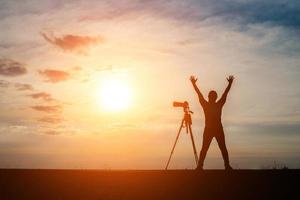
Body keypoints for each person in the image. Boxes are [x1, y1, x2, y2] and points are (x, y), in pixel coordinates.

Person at [190, 75, 234, 170]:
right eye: (212, 96)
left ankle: (226, 165)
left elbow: (225, 94)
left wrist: (230, 84)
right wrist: (193, 84)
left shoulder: (215, 104)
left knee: (221, 148)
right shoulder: (209, 105)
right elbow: (199, 94)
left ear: (213, 97)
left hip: (216, 129)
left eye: (213, 96)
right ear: (210, 97)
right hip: (210, 129)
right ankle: (200, 166)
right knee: (206, 148)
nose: (212, 98)